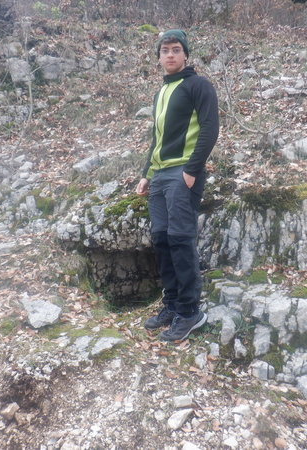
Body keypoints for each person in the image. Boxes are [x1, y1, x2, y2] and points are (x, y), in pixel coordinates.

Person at [135, 29, 219, 342]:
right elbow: (157, 139)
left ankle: (189, 312)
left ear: (185, 55)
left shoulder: (198, 85)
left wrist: (192, 169)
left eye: (175, 49)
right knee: (162, 239)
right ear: (158, 57)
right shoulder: (161, 92)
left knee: (181, 240)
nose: (170, 55)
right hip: (159, 176)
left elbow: (210, 128)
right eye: (165, 50)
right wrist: (146, 173)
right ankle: (171, 305)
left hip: (183, 174)